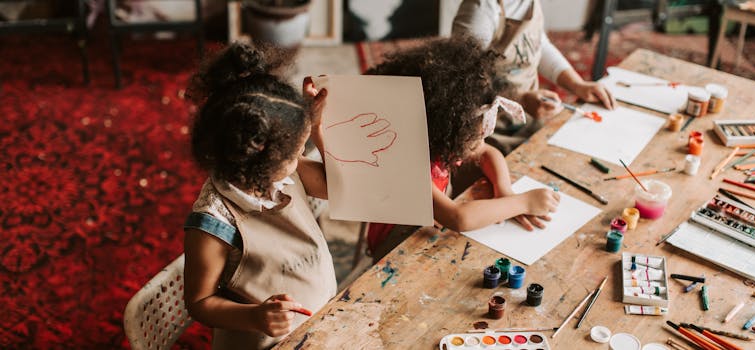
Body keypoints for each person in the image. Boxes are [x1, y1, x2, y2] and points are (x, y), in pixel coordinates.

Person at [182, 42, 334, 349]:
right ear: (263, 161)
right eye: (295, 151)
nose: (300, 157)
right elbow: (199, 301)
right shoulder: (213, 221)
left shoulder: (283, 172)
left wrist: (314, 129)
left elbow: (337, 185)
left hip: (321, 327)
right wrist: (255, 317)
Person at [361, 36, 561, 261]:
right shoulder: (406, 164)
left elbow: (487, 153)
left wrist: (504, 190)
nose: (483, 136)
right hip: (396, 246)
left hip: (430, 227)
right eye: (479, 130)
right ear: (447, 129)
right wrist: (522, 202)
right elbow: (459, 218)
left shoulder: (438, 141)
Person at [452, 0, 616, 154]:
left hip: (528, 119)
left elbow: (539, 45)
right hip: (488, 134)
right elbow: (464, 80)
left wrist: (577, 84)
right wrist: (520, 99)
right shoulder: (481, 9)